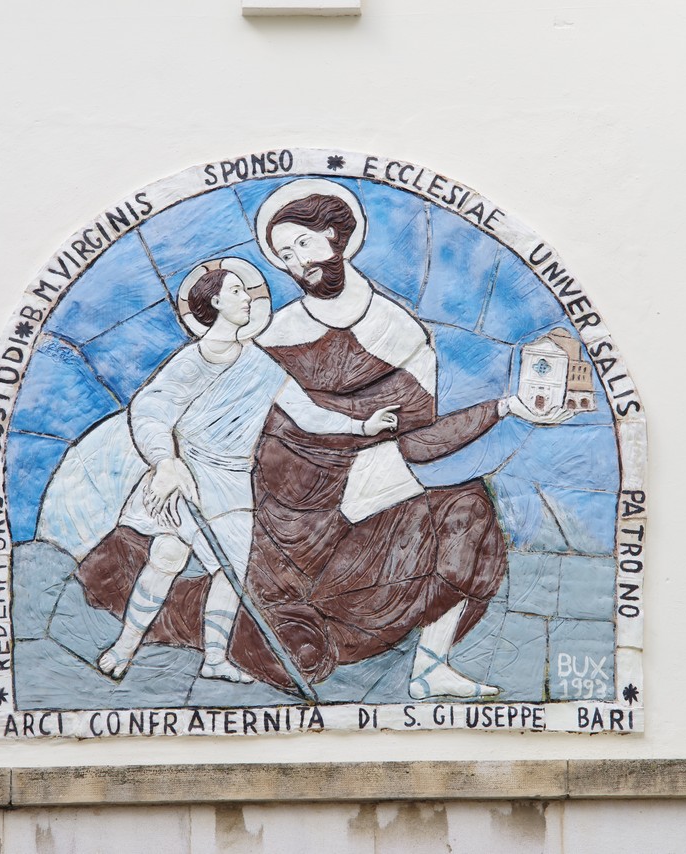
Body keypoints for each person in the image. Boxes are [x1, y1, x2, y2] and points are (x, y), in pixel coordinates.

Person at [239, 178, 572, 699]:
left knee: (467, 507)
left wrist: (506, 407)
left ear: (335, 236)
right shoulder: (275, 334)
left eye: (302, 242)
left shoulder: (402, 331)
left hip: (370, 482)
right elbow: (250, 426)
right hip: (293, 508)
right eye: (284, 255)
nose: (297, 262)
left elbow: (416, 441)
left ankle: (430, 668)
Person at [95, 262, 399, 683]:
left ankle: (215, 659)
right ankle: (123, 648)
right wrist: (165, 462)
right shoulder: (192, 361)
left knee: (230, 572)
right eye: (237, 291)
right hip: (187, 473)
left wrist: (362, 426)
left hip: (234, 481)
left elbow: (307, 413)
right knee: (167, 555)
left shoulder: (260, 365)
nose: (248, 298)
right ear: (216, 301)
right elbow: (149, 411)